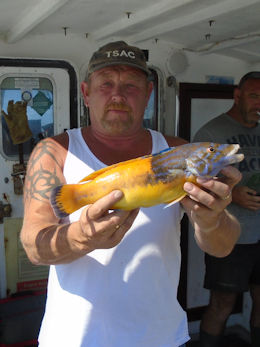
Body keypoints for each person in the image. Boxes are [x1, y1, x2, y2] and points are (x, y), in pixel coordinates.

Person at [20, 41, 241, 347]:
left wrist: (212, 220)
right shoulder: (53, 153)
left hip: (161, 337)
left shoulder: (179, 151)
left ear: (149, 94)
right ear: (85, 93)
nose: (118, 95)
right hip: (72, 338)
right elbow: (34, 246)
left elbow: (222, 247)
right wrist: (82, 237)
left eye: (131, 86)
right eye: (106, 83)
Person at [193, 71, 260, 347]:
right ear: (237, 96)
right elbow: (192, 185)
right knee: (222, 303)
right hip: (230, 236)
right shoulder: (210, 133)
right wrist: (232, 194)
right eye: (255, 96)